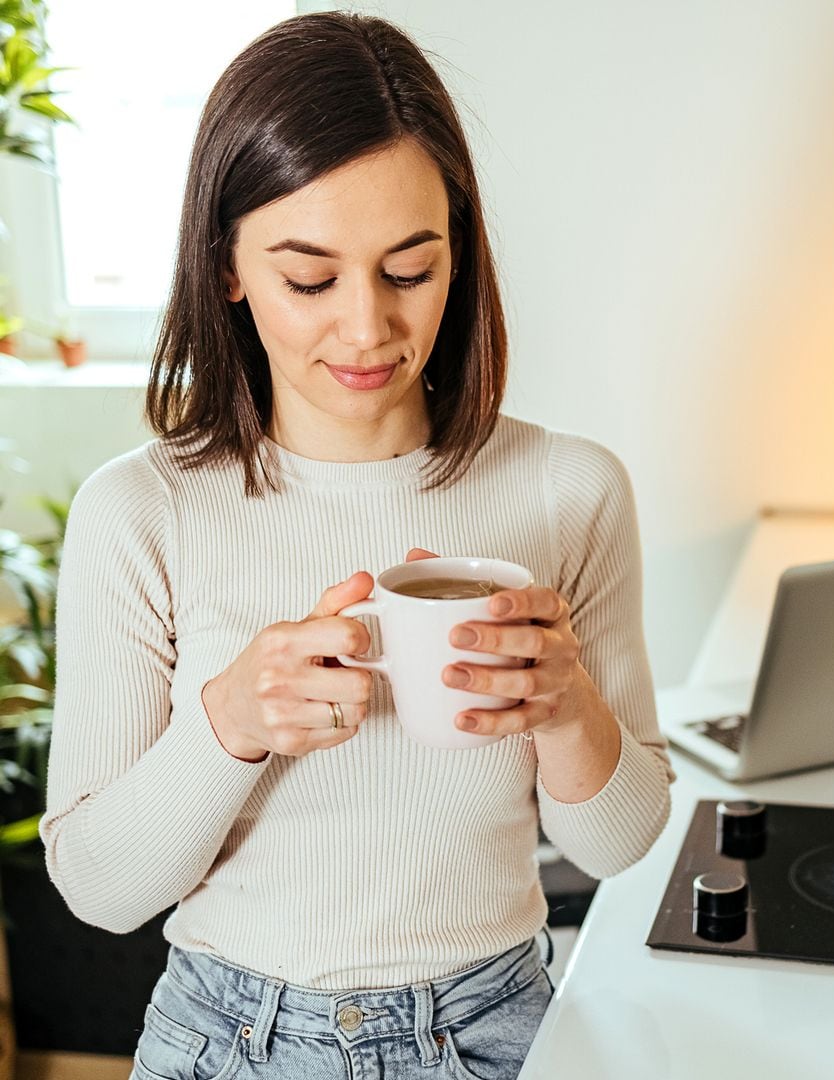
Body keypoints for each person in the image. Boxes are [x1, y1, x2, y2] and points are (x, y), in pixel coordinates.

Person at [40, 11, 673, 1079]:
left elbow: (620, 844)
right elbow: (100, 891)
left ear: (458, 254)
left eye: (409, 269)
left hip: (494, 1030)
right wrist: (233, 721)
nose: (369, 328)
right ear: (228, 268)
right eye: (310, 277)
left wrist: (568, 707)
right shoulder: (140, 512)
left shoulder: (568, 491)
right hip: (223, 1039)